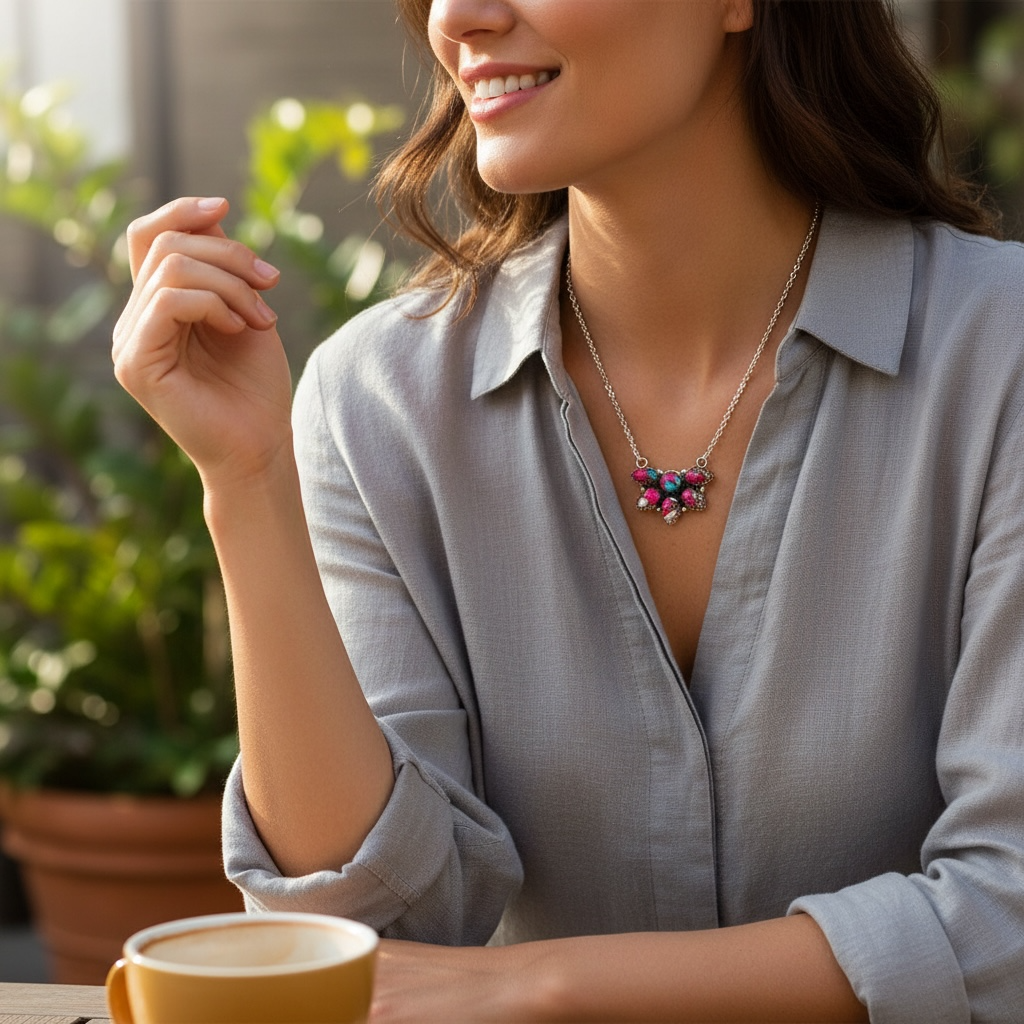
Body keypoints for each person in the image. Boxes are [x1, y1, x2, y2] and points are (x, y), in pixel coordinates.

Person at [112, 0, 1024, 1019]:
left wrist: (534, 985)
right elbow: (368, 939)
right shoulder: (379, 400)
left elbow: (1009, 918)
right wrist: (246, 483)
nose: (457, 18)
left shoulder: (1001, 355)